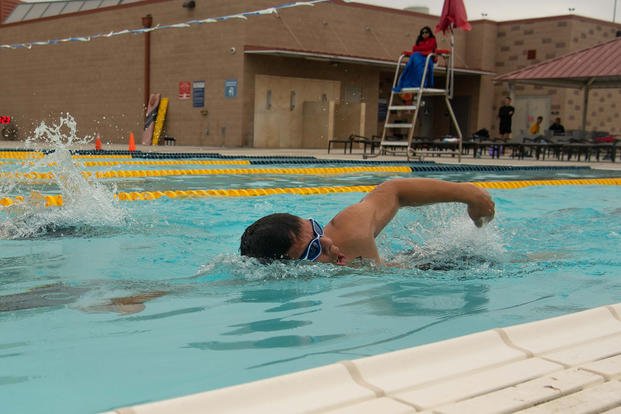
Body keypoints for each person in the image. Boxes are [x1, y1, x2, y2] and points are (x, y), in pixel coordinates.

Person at [240, 178, 495, 266]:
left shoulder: (349, 234)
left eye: (317, 230)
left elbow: (393, 190)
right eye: (314, 250)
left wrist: (466, 193)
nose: (328, 242)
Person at [393, 26, 437, 92]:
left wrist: (419, 50)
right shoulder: (419, 42)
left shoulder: (432, 40)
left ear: (429, 33)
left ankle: (420, 83)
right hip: (418, 57)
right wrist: (407, 52)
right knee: (410, 63)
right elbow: (415, 50)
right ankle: (406, 82)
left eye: (426, 32)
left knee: (415, 58)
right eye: (422, 33)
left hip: (427, 59)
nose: (424, 34)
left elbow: (428, 49)